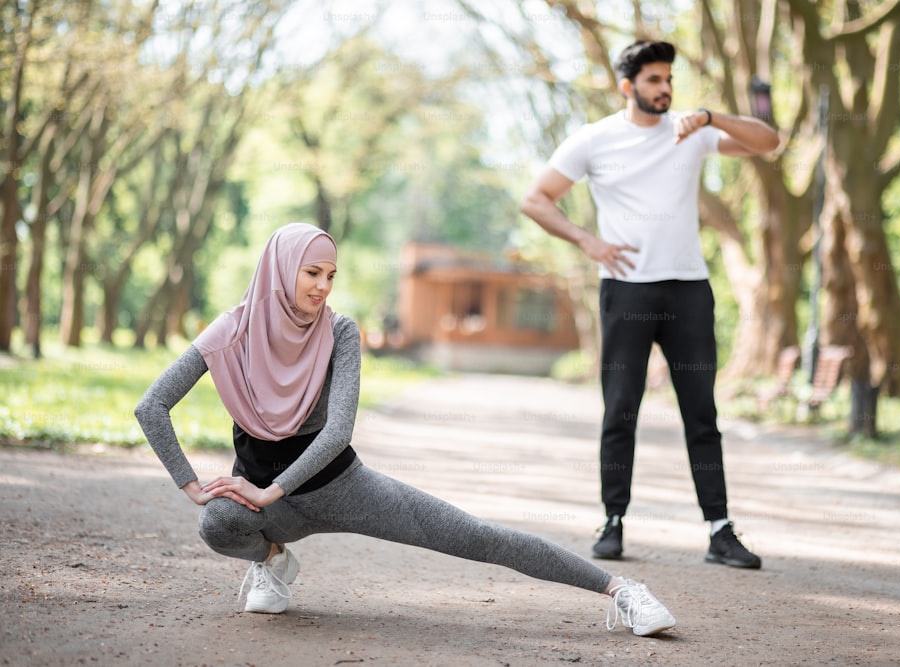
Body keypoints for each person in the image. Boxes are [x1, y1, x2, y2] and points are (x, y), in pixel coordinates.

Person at [134, 222, 677, 637]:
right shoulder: (230, 331)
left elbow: (336, 433)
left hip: (345, 490)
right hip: (266, 507)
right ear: (280, 268)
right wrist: (193, 485)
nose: (323, 286)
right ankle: (273, 561)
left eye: (331, 275)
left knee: (477, 536)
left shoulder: (339, 332)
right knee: (216, 523)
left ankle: (621, 590)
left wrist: (269, 489)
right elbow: (151, 406)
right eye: (312, 273)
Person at [519, 40, 779, 567]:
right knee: (620, 410)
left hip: (688, 288)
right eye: (654, 80)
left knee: (701, 413)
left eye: (668, 80)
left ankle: (720, 530)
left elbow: (769, 141)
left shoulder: (693, 130)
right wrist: (587, 241)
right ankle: (613, 522)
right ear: (627, 86)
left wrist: (711, 116)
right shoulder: (595, 140)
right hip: (627, 288)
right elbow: (535, 198)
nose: (664, 89)